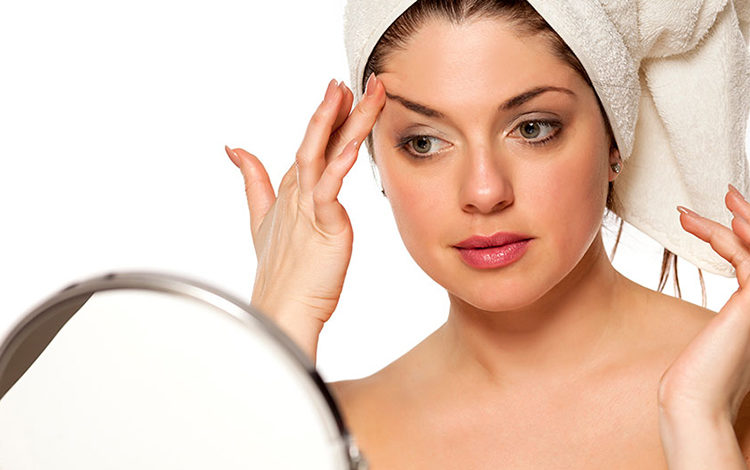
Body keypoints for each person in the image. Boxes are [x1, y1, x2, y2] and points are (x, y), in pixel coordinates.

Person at [225, 0, 750, 467]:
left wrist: (698, 421)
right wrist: (281, 323)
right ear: (375, 162)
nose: (483, 191)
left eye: (532, 128)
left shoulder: (734, 392)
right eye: (425, 142)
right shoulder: (319, 433)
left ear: (615, 139)